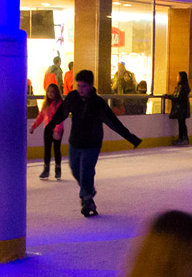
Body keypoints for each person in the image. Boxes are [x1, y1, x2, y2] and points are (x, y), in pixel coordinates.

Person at [45, 70, 142, 217]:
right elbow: (62, 112)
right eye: (78, 86)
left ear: (90, 86)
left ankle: (87, 198)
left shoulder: (98, 103)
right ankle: (89, 191)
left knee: (86, 171)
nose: (80, 89)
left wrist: (130, 137)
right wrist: (50, 125)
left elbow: (113, 122)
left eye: (84, 86)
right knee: (75, 169)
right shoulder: (73, 98)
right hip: (75, 142)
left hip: (92, 143)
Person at [30, 83, 65, 180]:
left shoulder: (59, 104)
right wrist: (34, 126)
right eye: (49, 92)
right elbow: (41, 116)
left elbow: (60, 118)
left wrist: (57, 130)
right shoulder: (46, 104)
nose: (50, 94)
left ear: (56, 93)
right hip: (48, 129)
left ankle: (58, 169)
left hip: (58, 129)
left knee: (56, 149)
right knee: (47, 150)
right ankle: (46, 170)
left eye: (52, 92)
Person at [164, 71, 191, 146]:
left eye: (178, 76)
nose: (177, 78)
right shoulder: (183, 86)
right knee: (182, 123)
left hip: (181, 108)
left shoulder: (181, 87)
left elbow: (177, 97)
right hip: (182, 108)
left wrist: (168, 96)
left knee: (181, 124)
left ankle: (183, 138)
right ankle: (183, 138)